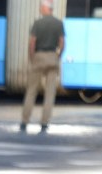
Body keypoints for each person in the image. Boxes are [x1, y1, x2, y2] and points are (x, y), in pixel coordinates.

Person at [20, 0, 64, 134]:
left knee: (31, 91)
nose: (40, 9)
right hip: (52, 57)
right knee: (50, 93)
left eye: (41, 7)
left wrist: (32, 58)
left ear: (46, 8)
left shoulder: (37, 23)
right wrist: (57, 56)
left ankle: (24, 122)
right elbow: (62, 43)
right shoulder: (58, 23)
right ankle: (44, 123)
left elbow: (32, 43)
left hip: (39, 57)